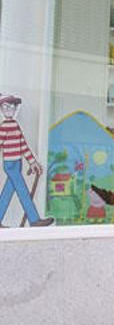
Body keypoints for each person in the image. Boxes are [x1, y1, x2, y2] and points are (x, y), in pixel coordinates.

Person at [0, 93, 54, 227]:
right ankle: (34, 219)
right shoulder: (4, 126)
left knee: (7, 192)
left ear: (15, 109)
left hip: (18, 163)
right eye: (5, 107)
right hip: (10, 164)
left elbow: (23, 145)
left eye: (12, 107)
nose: (9, 109)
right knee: (23, 190)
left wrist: (32, 162)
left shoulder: (15, 125)